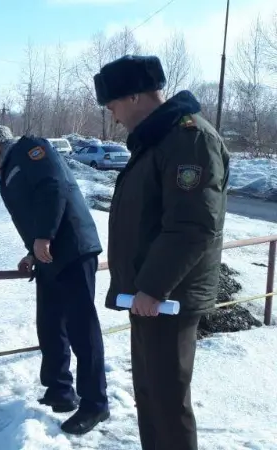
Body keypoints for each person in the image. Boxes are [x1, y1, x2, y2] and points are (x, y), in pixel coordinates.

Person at [93, 55, 230, 450]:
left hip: (168, 297)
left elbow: (192, 224)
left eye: (113, 105)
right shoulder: (158, 139)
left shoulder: (189, 139)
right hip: (148, 295)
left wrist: (153, 287)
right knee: (150, 397)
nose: (114, 117)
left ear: (135, 96)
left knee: (168, 404)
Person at [0, 125, 110, 435]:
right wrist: (32, 252)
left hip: (71, 249)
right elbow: (30, 214)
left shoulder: (32, 150)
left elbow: (53, 187)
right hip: (48, 257)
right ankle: (60, 390)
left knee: (81, 329)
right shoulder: (10, 169)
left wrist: (44, 236)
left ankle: (95, 404)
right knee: (49, 324)